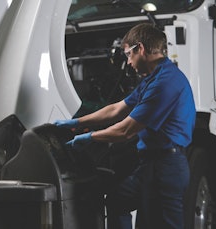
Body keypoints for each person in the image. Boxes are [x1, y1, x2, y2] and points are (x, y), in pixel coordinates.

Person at [55, 23, 195, 229]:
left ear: (141, 49)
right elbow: (116, 109)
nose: (128, 62)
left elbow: (125, 130)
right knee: (117, 200)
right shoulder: (152, 78)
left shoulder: (165, 82)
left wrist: (89, 138)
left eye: (128, 54)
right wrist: (77, 122)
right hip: (150, 165)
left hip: (166, 167)